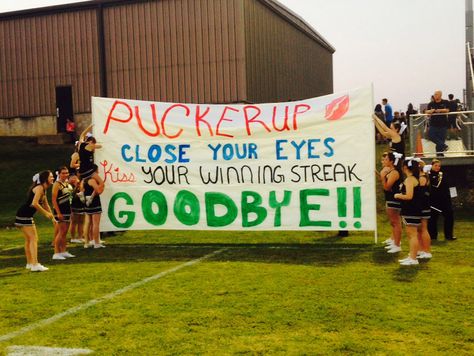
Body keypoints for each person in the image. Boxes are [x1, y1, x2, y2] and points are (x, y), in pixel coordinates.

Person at [15, 171, 56, 272]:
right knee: (33, 239)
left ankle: (29, 263)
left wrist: (52, 217)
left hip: (23, 214)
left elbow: (46, 205)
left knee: (29, 240)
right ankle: (35, 264)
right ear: (45, 178)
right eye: (51, 177)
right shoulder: (40, 188)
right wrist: (46, 214)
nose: (53, 178)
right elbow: (35, 203)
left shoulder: (43, 189)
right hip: (24, 215)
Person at [394, 158, 422, 266]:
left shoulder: (410, 179)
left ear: (405, 167)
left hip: (411, 210)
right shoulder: (413, 178)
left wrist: (398, 195)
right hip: (411, 209)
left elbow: (409, 196)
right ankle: (412, 256)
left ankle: (413, 258)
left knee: (412, 235)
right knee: (411, 235)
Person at [378, 152, 403, 253]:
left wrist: (383, 176)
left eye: (386, 159)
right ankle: (394, 241)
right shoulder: (390, 171)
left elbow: (387, 187)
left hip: (394, 199)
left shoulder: (394, 172)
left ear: (392, 161)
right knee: (393, 222)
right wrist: (380, 174)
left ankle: (397, 244)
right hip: (390, 199)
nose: (383, 161)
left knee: (396, 222)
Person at [428, 159, 456, 240]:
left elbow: (450, 184)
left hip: (445, 200)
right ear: (432, 165)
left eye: (439, 166)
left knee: (449, 217)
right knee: (433, 219)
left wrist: (453, 196)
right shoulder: (428, 175)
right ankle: (433, 236)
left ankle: (449, 236)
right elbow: (434, 185)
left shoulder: (443, 174)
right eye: (435, 165)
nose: (437, 167)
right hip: (434, 200)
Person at [51, 166, 75, 260]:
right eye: (63, 173)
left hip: (67, 210)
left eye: (67, 173)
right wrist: (58, 212)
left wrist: (71, 210)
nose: (65, 174)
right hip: (60, 210)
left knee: (65, 232)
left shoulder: (67, 184)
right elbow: (53, 199)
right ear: (59, 174)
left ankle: (63, 251)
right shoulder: (57, 184)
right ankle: (56, 252)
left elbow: (70, 198)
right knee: (61, 232)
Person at [78, 124, 103, 205]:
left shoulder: (80, 144)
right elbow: (100, 146)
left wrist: (88, 128)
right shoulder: (89, 145)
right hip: (89, 170)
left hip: (82, 171)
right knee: (101, 183)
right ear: (91, 142)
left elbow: (82, 135)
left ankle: (82, 192)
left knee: (86, 181)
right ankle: (91, 197)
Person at [83, 164, 105, 248]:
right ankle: (96, 243)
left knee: (89, 223)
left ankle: (88, 241)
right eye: (97, 171)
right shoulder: (92, 180)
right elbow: (98, 191)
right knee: (96, 223)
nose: (98, 172)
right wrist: (102, 186)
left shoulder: (84, 180)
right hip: (94, 202)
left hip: (87, 202)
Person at [426, 90, 450, 156]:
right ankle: (444, 146)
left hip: (443, 124)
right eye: (434, 94)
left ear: (440, 95)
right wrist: (431, 111)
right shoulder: (431, 103)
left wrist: (440, 110)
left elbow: (447, 110)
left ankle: (440, 155)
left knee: (441, 139)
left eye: (436, 94)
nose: (435, 95)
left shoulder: (445, 102)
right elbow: (426, 112)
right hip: (433, 124)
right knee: (431, 136)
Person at [417, 161, 432, 259]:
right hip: (420, 206)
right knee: (419, 229)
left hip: (423, 206)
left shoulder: (422, 178)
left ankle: (427, 251)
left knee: (423, 228)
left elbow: (420, 194)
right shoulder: (421, 177)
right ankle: (421, 249)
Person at [69, 174, 85, 244]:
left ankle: (80, 237)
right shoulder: (69, 186)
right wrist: (76, 186)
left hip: (81, 205)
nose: (75, 179)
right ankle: (73, 238)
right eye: (73, 178)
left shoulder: (81, 183)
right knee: (74, 222)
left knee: (81, 222)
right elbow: (72, 195)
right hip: (74, 205)